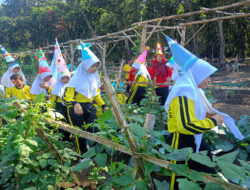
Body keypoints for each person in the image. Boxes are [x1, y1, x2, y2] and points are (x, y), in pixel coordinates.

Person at [164, 36, 244, 189]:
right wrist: (214, 122)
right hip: (182, 141)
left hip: (194, 139)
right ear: (196, 74)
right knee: (179, 177)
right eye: (206, 75)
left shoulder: (193, 91)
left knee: (207, 171)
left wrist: (209, 116)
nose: (209, 80)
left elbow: (192, 114)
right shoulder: (184, 94)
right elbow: (186, 126)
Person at [62, 42, 107, 153]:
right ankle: (82, 153)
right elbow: (66, 97)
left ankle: (93, 150)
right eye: (93, 65)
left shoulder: (94, 78)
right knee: (79, 132)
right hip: (76, 108)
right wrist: (75, 103)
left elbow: (96, 94)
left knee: (94, 129)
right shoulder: (76, 79)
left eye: (97, 66)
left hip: (90, 106)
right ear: (86, 64)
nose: (95, 68)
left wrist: (103, 105)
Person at [50, 39, 71, 121]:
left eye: (67, 78)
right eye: (63, 78)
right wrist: (50, 108)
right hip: (59, 106)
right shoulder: (56, 86)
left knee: (70, 120)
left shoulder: (71, 86)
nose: (65, 80)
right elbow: (53, 98)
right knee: (61, 121)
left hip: (70, 105)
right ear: (59, 78)